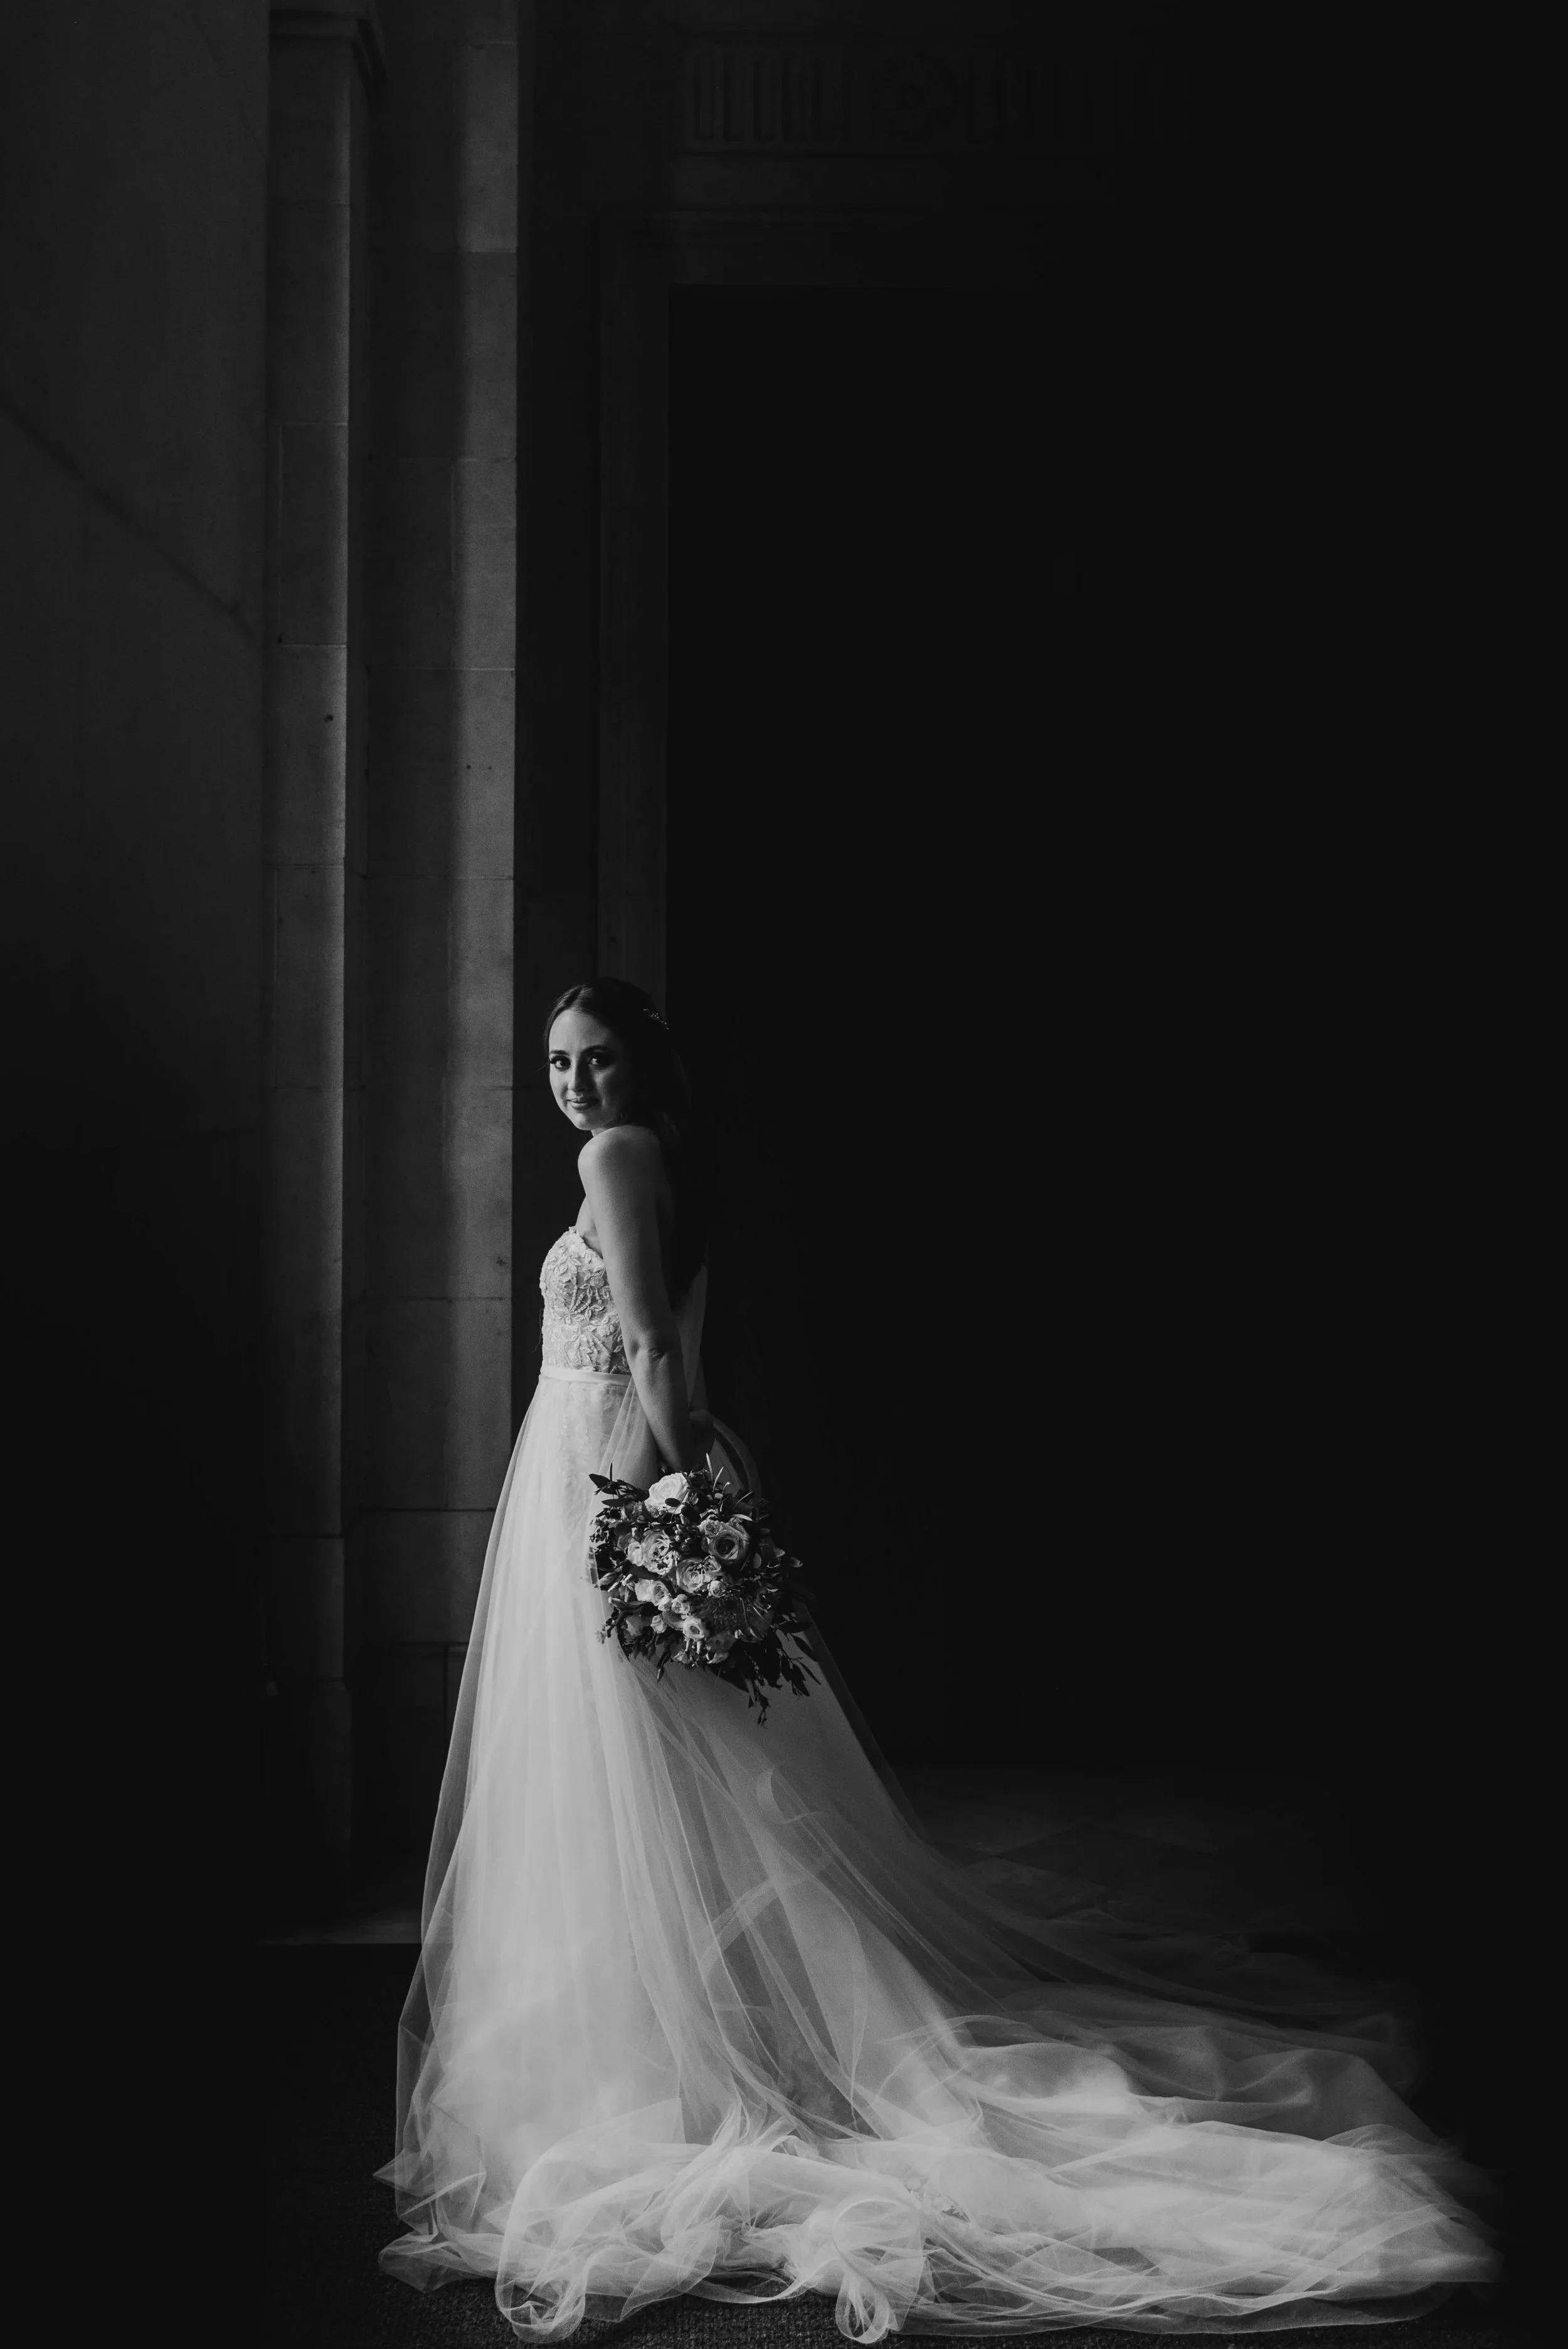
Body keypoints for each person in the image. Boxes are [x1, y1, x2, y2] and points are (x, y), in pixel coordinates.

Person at [379, 978, 1495, 2340]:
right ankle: (693, 2032)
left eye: (598, 1060)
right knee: (684, 1789)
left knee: (656, 1785)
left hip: (608, 1475)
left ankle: (682, 2051)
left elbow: (658, 1347)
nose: (574, 1085)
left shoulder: (614, 1158)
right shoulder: (660, 1154)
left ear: (639, 1068)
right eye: (558, 1064)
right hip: (614, 1464)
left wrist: (665, 1508)